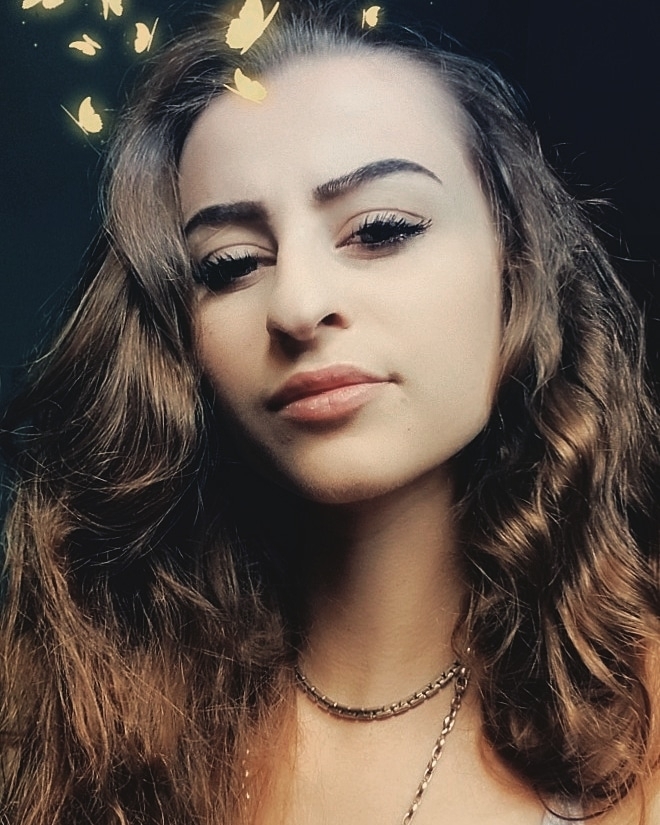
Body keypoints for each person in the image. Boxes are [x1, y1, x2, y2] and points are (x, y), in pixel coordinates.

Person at [1, 2, 658, 823]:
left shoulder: (642, 720)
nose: (298, 305)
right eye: (231, 265)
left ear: (516, 265)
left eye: (380, 229)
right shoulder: (66, 709)